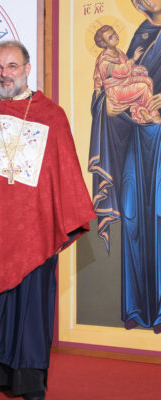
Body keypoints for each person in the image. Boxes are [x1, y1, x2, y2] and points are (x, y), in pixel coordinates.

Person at [0, 41, 95, 400]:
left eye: (12, 66)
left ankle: (27, 382)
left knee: (30, 309)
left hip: (34, 234)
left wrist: (60, 223)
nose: (5, 74)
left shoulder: (51, 115)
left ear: (27, 69)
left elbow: (65, 173)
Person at [89, 0, 161, 334]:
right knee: (133, 216)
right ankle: (138, 308)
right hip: (136, 139)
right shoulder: (142, 36)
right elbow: (109, 89)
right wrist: (109, 103)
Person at [92, 25, 160, 124]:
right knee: (143, 87)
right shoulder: (104, 61)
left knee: (148, 81)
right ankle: (153, 114)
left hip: (125, 82)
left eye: (114, 33)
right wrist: (134, 59)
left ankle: (143, 111)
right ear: (104, 43)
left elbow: (127, 68)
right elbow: (119, 70)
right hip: (116, 90)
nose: (115, 36)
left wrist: (136, 69)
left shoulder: (118, 52)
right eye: (110, 37)